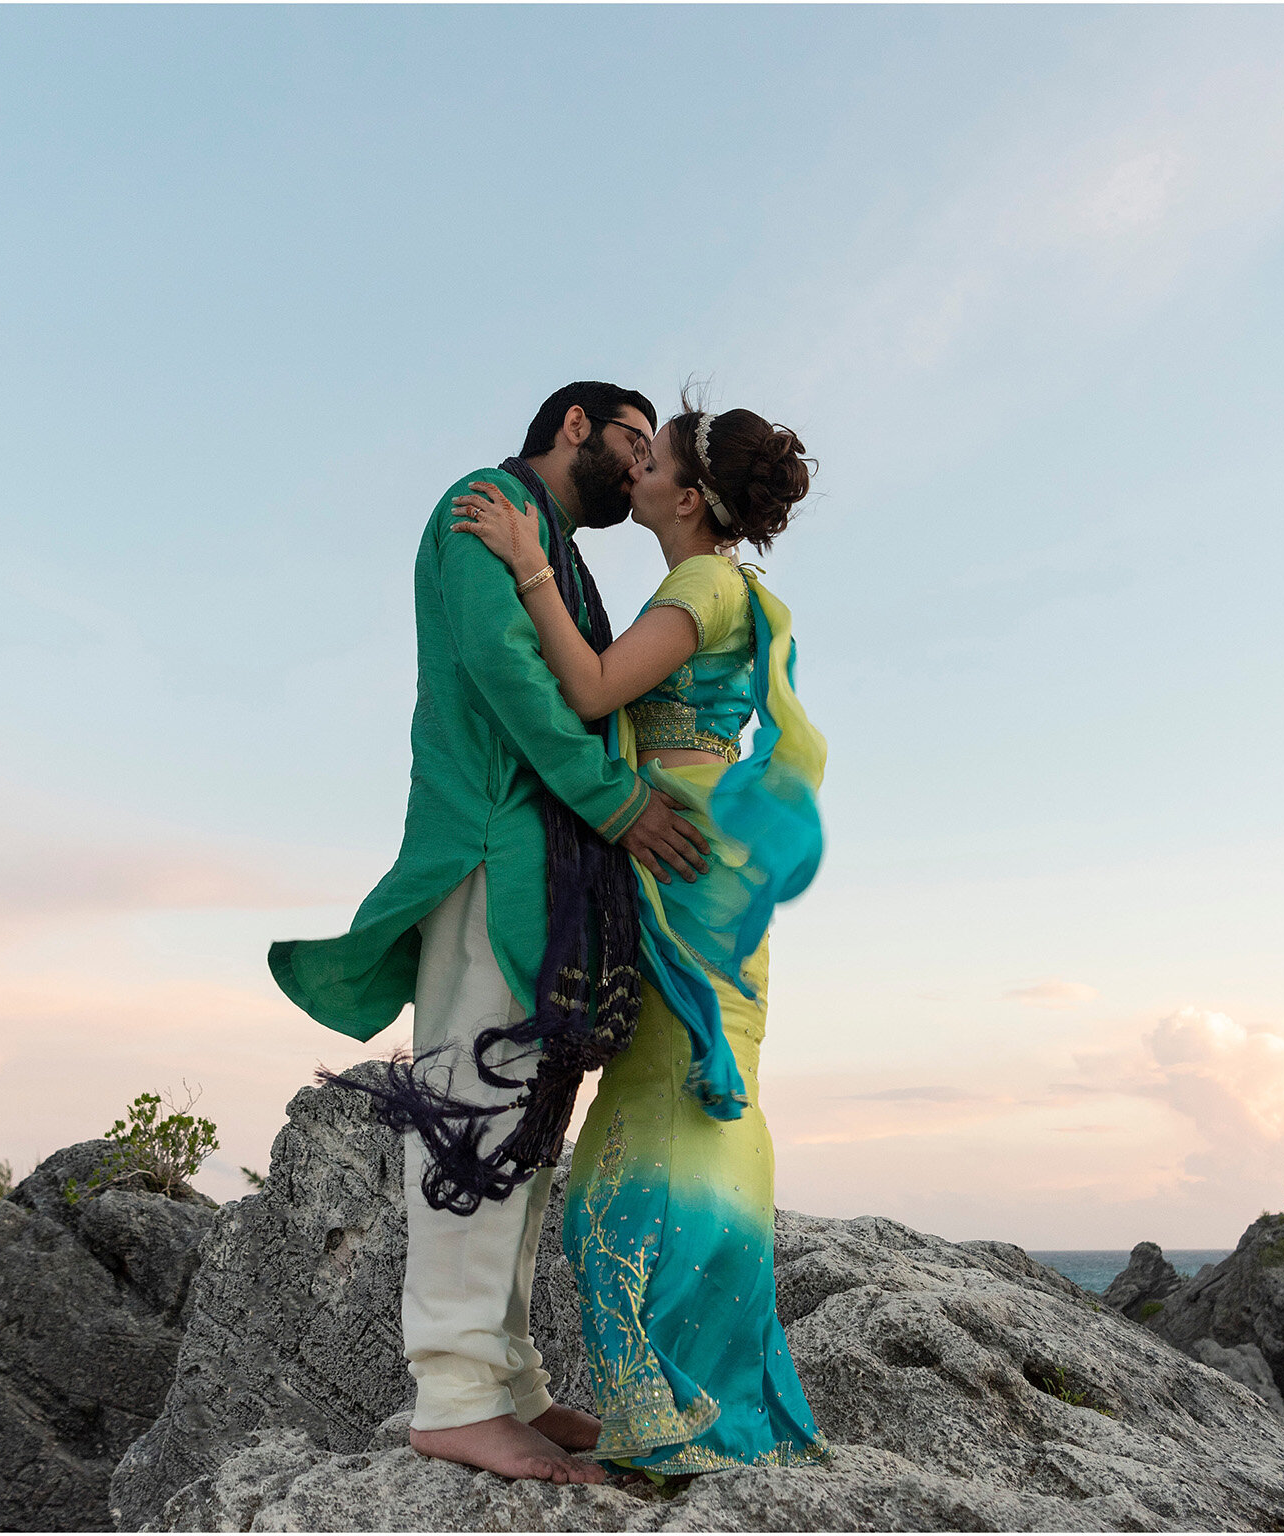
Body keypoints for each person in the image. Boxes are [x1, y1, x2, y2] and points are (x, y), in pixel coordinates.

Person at [268, 382, 712, 1486]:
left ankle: (507, 1378)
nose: (640, 463)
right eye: (630, 441)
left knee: (524, 1122)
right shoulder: (482, 506)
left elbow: (589, 688)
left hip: (542, 863)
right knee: (472, 1109)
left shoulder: (551, 547)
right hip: (486, 850)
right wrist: (612, 803)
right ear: (576, 427)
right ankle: (455, 1395)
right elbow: (504, 674)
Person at [447, 393, 831, 1476]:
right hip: (695, 855)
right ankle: (708, 1398)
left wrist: (528, 562)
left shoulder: (701, 583)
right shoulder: (722, 586)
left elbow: (590, 686)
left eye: (651, 458)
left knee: (653, 1123)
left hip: (677, 858)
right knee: (688, 1104)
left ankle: (684, 1413)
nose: (636, 471)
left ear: (689, 495)